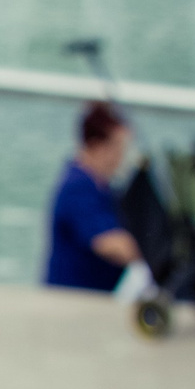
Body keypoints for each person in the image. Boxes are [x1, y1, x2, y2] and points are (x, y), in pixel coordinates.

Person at [44, 102, 141, 291]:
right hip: (70, 299)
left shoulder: (101, 186)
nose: (122, 157)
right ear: (97, 146)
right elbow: (111, 244)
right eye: (118, 147)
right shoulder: (78, 187)